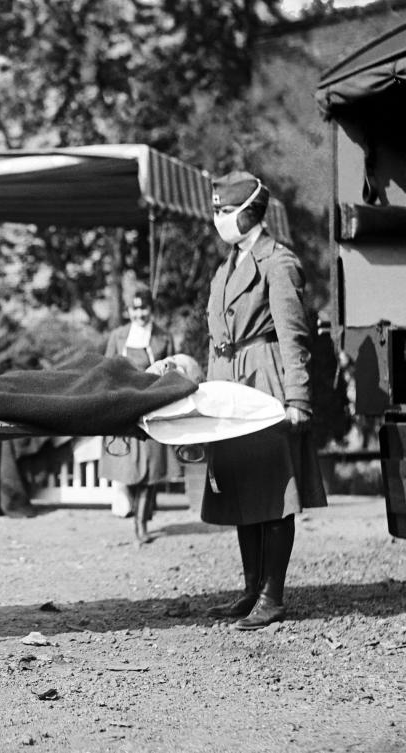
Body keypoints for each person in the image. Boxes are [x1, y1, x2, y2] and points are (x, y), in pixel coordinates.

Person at [202, 170, 326, 630]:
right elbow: (215, 335)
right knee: (241, 490)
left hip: (266, 382)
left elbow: (295, 335)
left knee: (273, 493)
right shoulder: (227, 265)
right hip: (228, 383)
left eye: (223, 210)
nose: (217, 218)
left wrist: (298, 398)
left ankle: (272, 596)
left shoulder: (279, 262)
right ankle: (251, 590)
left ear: (249, 212)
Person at [99, 285, 176, 544]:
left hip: (152, 407)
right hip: (123, 408)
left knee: (151, 469)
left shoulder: (163, 337)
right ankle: (136, 509)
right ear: (128, 311)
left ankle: (141, 524)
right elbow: (105, 370)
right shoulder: (118, 336)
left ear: (151, 310)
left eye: (144, 308)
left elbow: (173, 373)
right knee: (127, 467)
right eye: (135, 309)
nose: (140, 314)